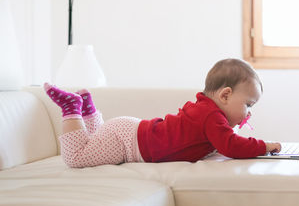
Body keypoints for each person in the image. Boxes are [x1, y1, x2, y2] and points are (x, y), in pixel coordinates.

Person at [44, 58, 281, 168]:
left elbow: (221, 140)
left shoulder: (206, 111)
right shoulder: (211, 117)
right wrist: (264, 146)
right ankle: (72, 109)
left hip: (128, 131)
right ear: (225, 95)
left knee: (92, 144)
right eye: (248, 105)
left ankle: (88, 109)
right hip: (128, 142)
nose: (249, 112)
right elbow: (231, 145)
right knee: (77, 158)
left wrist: (236, 123)